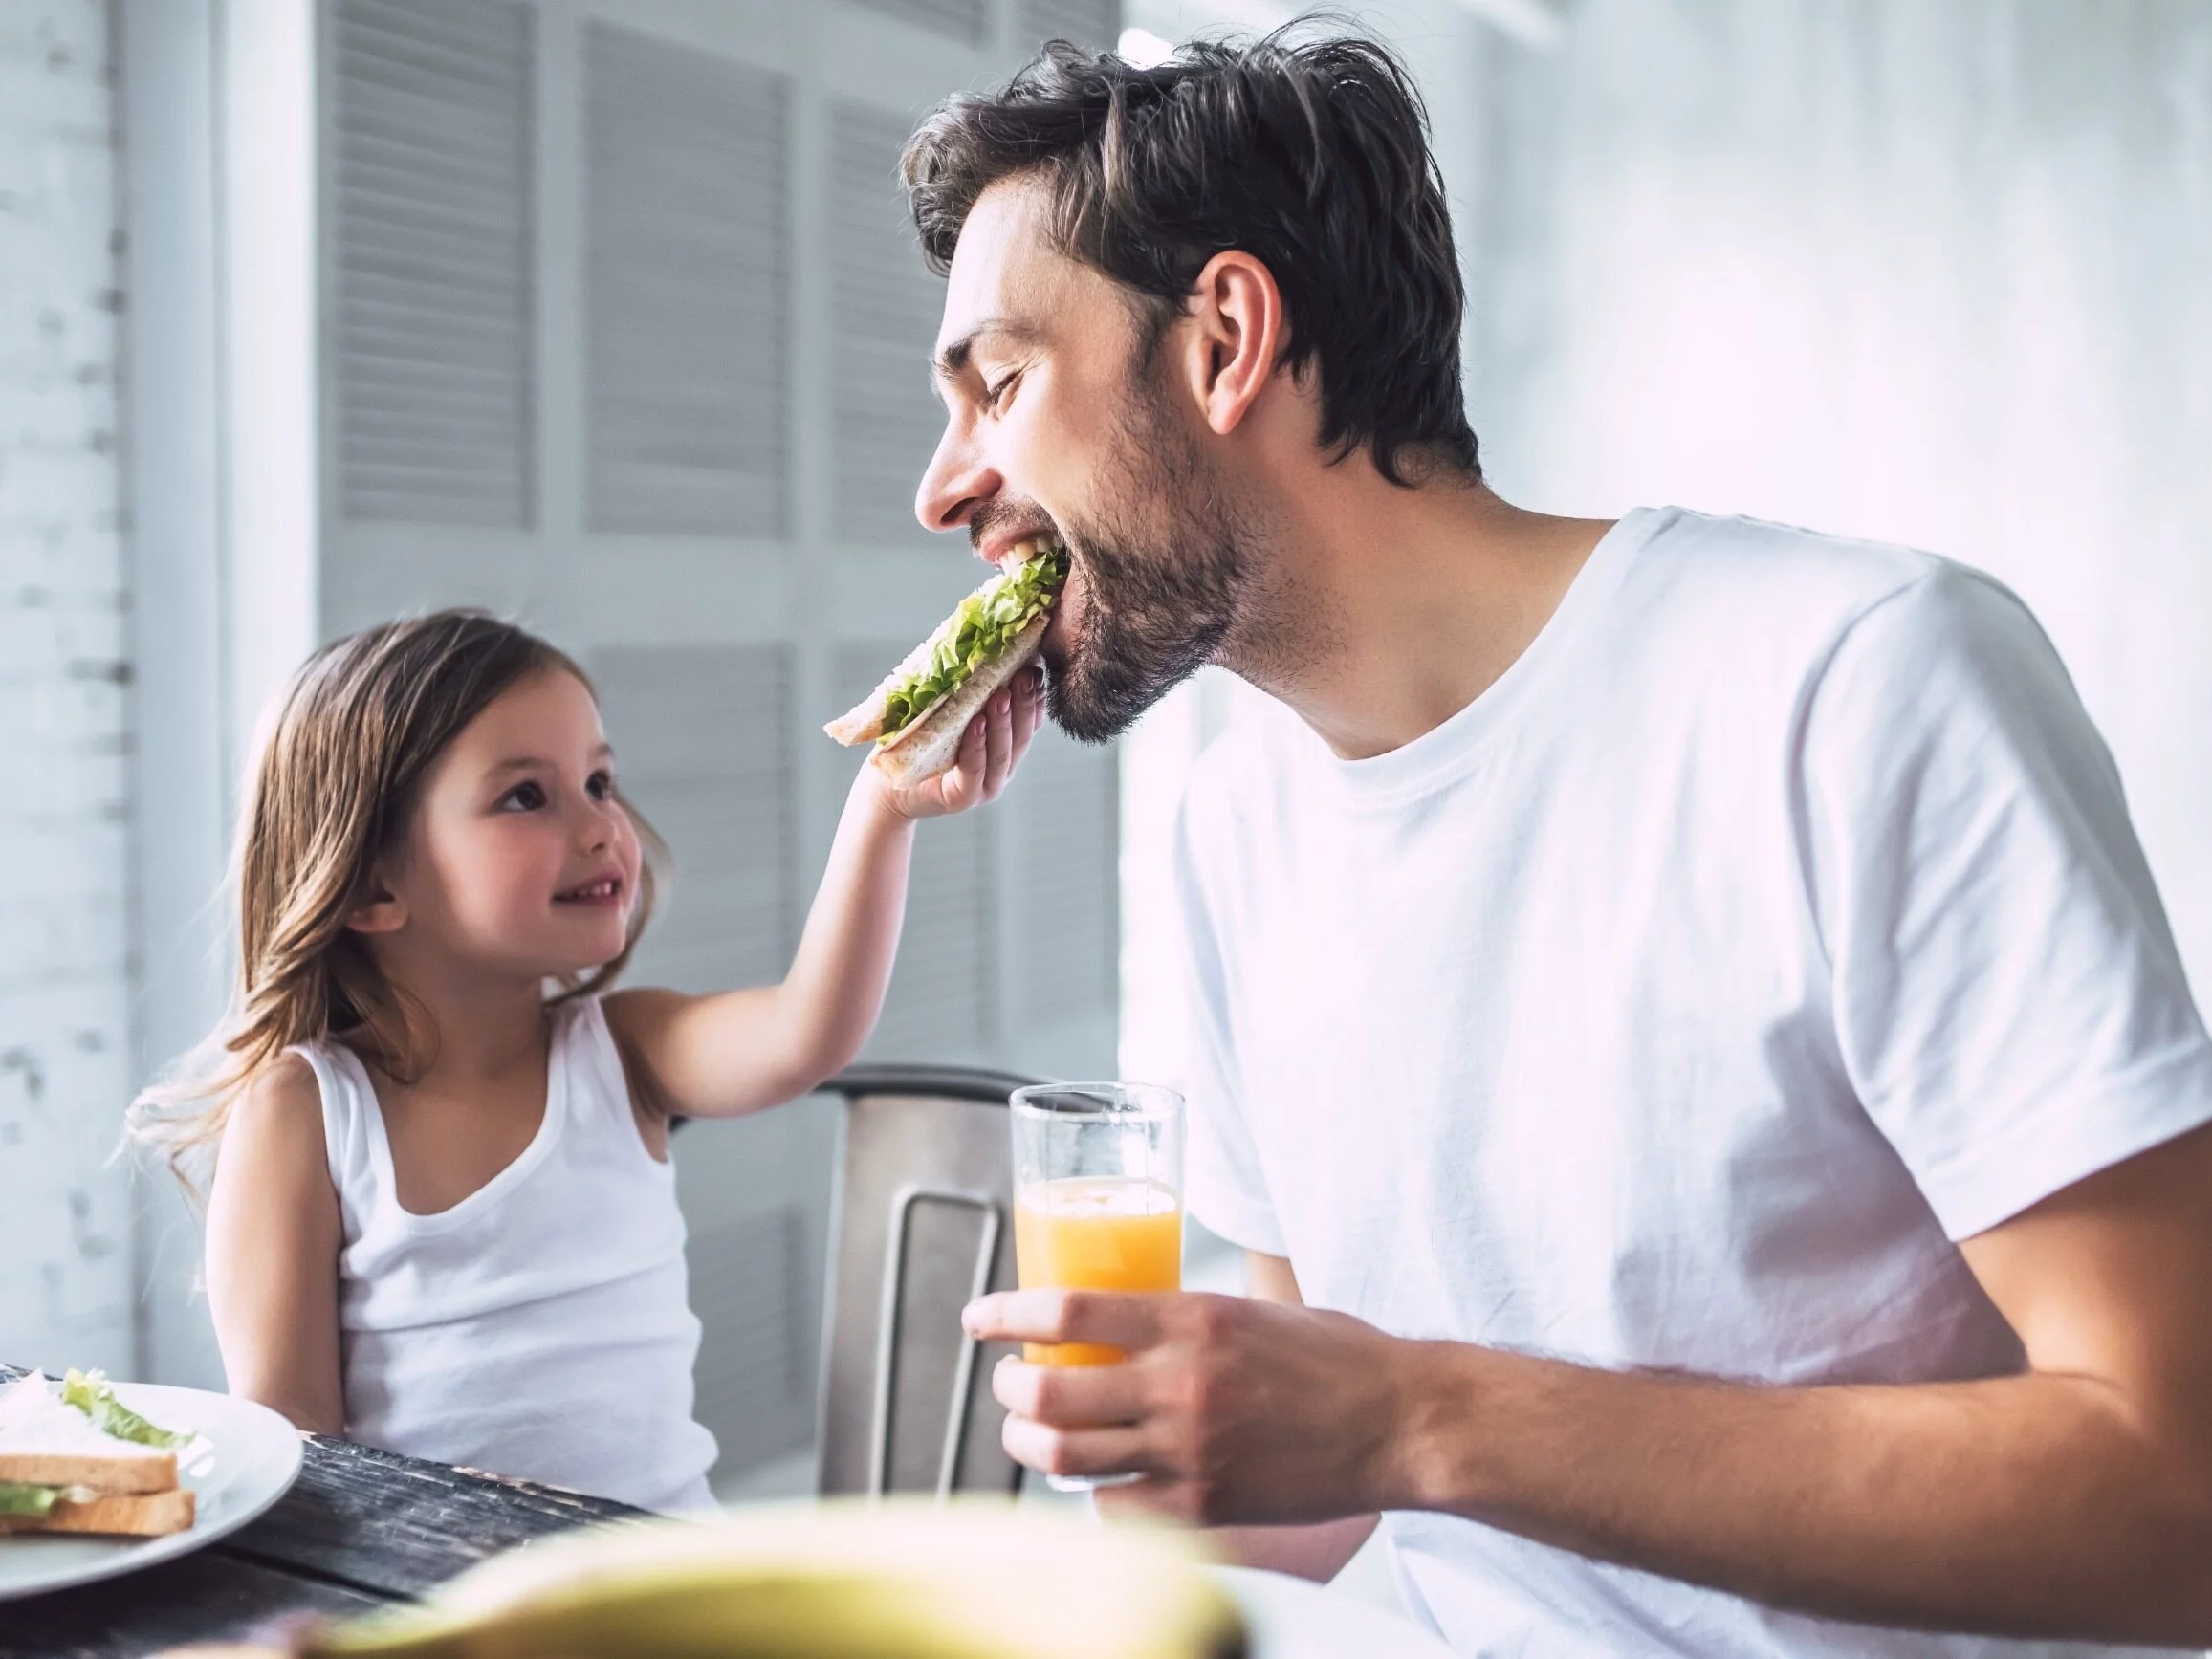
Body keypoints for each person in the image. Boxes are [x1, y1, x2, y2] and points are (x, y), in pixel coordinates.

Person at [916, 33, 2212, 1657]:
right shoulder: (1234, 833)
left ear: (1226, 340)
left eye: (997, 384)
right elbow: (1310, 1502)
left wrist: (1413, 1417)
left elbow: (2176, 1499)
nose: (941, 488)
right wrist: (1163, 1435)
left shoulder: (1855, 679)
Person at [131, 610, 1040, 1514]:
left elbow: (807, 1030)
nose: (602, 826)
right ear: (374, 884)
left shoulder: (624, 1051)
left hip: (666, 1588)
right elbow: (295, 1447)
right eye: (526, 795)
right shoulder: (306, 1110)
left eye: (599, 780)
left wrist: (884, 804)